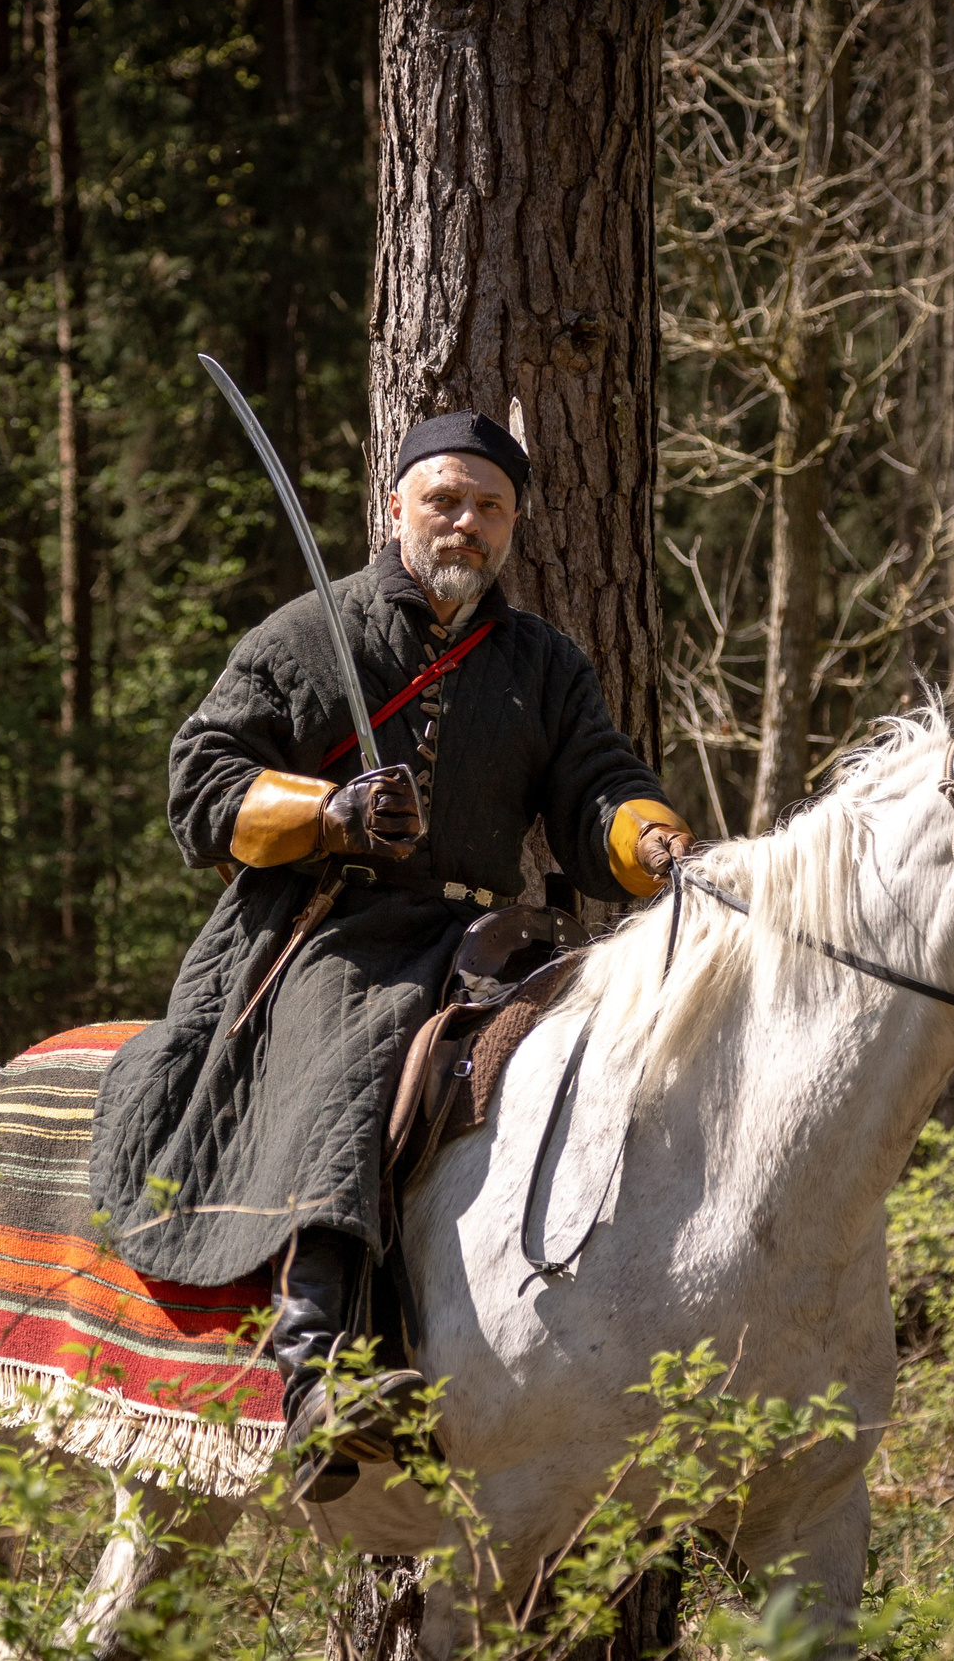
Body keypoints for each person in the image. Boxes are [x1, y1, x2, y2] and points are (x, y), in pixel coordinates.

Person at [92, 409, 694, 1498]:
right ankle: (314, 1359)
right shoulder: (298, 639)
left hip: (482, 939)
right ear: (396, 508)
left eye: (490, 509)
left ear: (513, 527)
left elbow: (596, 783)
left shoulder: (544, 663)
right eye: (445, 502)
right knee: (366, 1037)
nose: (465, 525)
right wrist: (330, 814)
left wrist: (653, 842)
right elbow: (201, 783)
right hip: (323, 932)